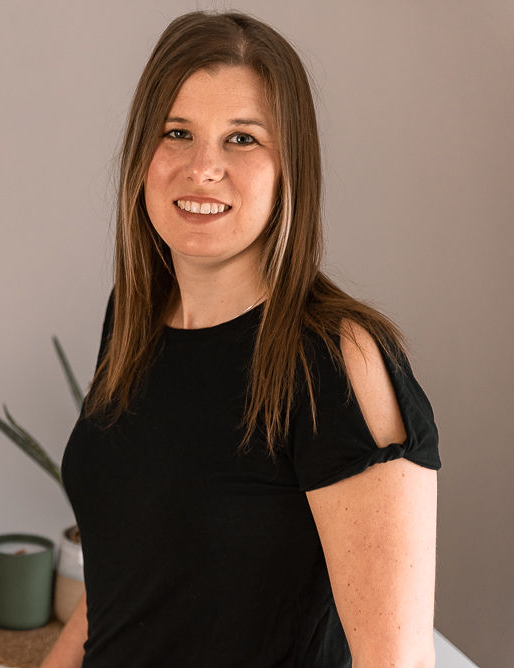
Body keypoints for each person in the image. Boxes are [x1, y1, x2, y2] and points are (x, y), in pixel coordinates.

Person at [42, 11, 440, 668]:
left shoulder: (338, 361)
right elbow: (121, 586)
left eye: (242, 139)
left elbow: (394, 660)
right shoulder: (135, 319)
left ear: (290, 169)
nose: (203, 168)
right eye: (178, 133)